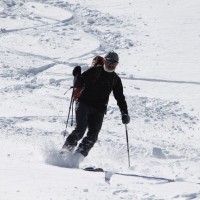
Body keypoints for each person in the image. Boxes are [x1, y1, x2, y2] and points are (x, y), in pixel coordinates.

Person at [61, 51, 130, 163]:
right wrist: (77, 75)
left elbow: (120, 98)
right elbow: (80, 83)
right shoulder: (95, 71)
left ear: (117, 64)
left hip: (99, 109)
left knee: (92, 137)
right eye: (109, 61)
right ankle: (63, 154)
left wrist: (124, 113)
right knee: (80, 130)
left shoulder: (115, 79)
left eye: (114, 63)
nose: (111, 65)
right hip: (84, 103)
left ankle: (75, 160)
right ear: (105, 61)